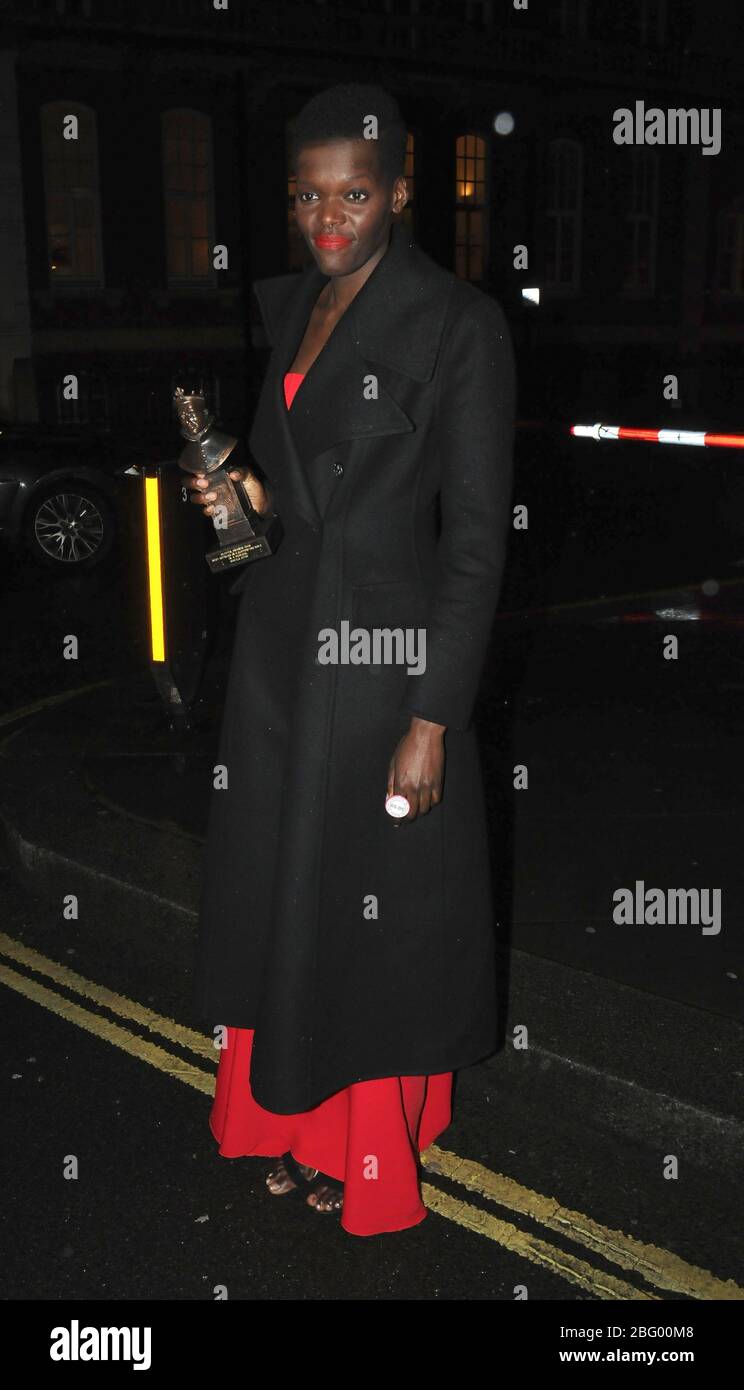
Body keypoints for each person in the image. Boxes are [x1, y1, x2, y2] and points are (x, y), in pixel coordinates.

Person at [188, 82, 516, 1237]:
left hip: (383, 670)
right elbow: (302, 499)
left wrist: (434, 717)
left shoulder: (459, 325)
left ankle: (364, 1150)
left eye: (356, 194)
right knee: (288, 898)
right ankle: (290, 1119)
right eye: (310, 196)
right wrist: (247, 498)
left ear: (402, 193)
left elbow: (475, 547)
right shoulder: (299, 309)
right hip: (282, 657)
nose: (331, 218)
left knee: (368, 925)